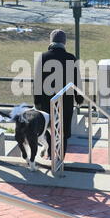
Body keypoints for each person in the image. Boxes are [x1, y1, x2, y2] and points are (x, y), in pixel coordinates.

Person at [34, 29, 84, 158]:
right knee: (63, 131)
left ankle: (50, 157)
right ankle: (61, 158)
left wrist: (37, 101)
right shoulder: (71, 58)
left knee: (48, 129)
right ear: (64, 42)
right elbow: (76, 81)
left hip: (46, 101)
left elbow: (37, 82)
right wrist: (79, 99)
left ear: (51, 41)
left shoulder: (43, 57)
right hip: (65, 102)